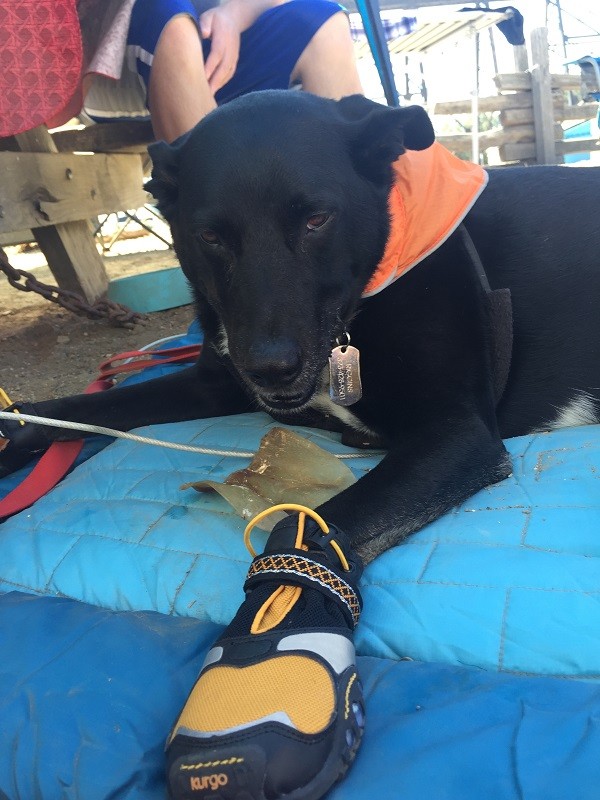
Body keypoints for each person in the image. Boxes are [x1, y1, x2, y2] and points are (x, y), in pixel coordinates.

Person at [84, 0, 364, 143]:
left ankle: (357, 207)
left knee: (323, 20)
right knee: (167, 10)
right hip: (107, 71)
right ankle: (225, 225)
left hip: (218, 60)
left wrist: (232, 14)